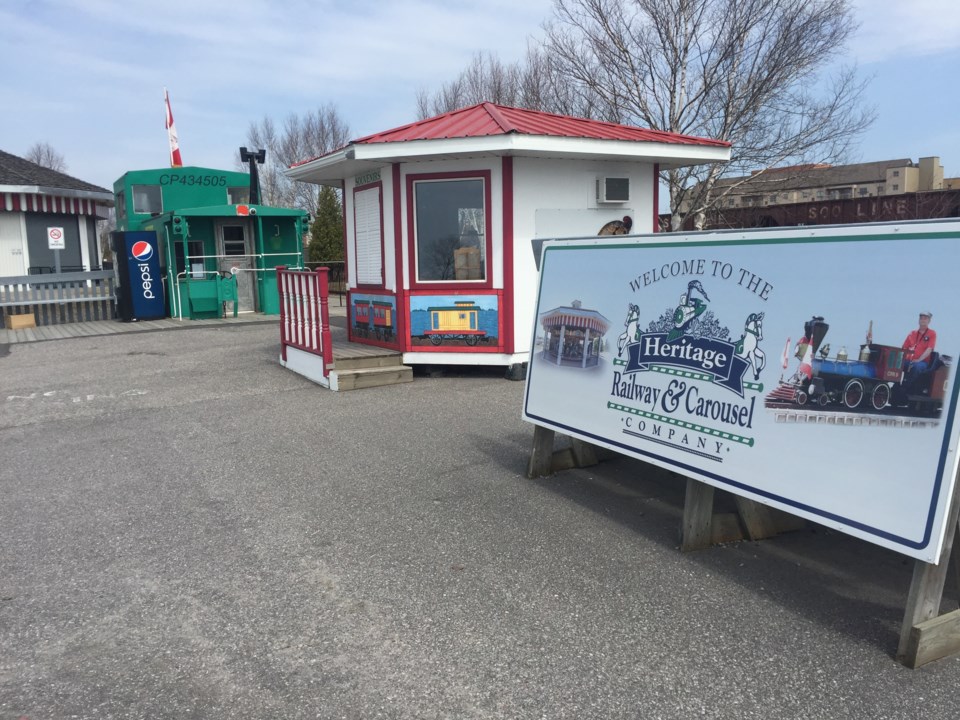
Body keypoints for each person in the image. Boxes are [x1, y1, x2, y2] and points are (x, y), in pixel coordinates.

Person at [902, 311, 936, 386]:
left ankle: (906, 387)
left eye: (925, 318)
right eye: (921, 318)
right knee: (895, 365)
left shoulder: (932, 333)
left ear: (929, 321)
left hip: (922, 362)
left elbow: (929, 349)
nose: (923, 320)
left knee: (916, 367)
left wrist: (918, 360)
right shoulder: (912, 333)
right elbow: (904, 348)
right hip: (908, 360)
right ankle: (895, 385)